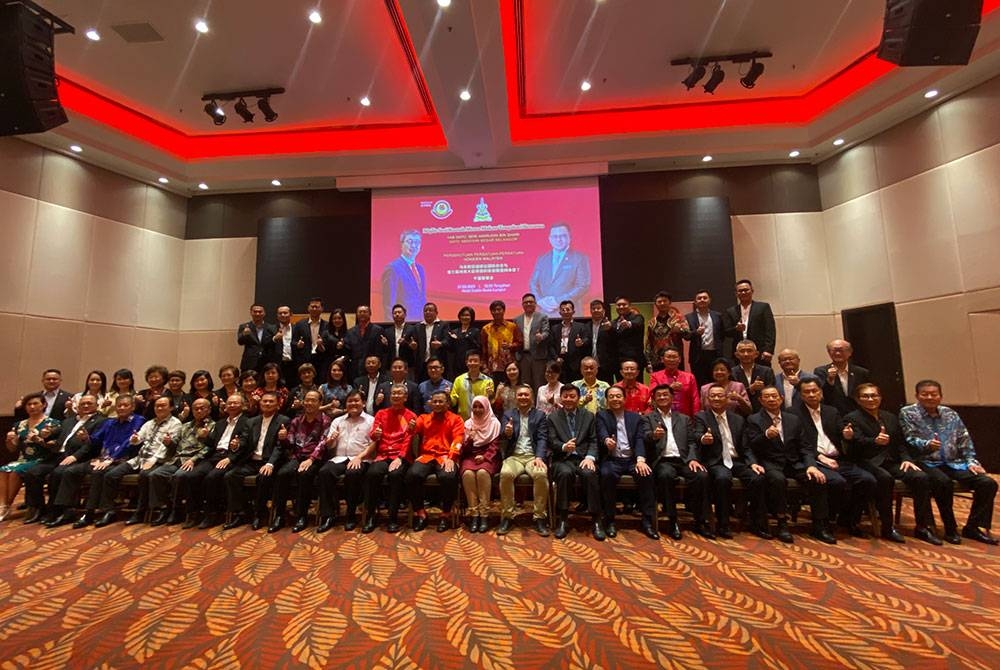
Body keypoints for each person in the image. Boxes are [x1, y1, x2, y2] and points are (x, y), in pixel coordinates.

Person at [898, 379, 998, 545]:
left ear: (940, 396)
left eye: (934, 394)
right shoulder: (908, 413)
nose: (930, 397)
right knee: (943, 482)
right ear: (917, 396)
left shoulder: (950, 414)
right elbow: (909, 438)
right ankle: (950, 527)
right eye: (925, 394)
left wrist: (971, 461)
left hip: (954, 462)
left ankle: (973, 527)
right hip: (925, 461)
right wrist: (927, 444)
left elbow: (964, 439)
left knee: (987, 483)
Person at [745, 387, 834, 543]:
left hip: (794, 463)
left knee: (817, 478)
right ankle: (782, 523)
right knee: (778, 480)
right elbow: (750, 446)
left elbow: (805, 446)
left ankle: (820, 526)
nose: (771, 399)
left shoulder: (793, 419)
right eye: (767, 397)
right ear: (761, 401)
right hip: (770, 463)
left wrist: (811, 465)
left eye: (774, 396)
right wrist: (765, 435)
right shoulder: (754, 420)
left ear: (781, 398)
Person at [840, 382, 925, 542]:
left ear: (880, 397)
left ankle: (923, 527)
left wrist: (906, 459)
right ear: (858, 400)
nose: (870, 399)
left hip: (892, 460)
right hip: (866, 461)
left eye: (874, 395)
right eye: (865, 396)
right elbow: (855, 443)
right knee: (885, 479)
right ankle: (888, 527)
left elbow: (900, 443)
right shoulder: (852, 418)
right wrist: (874, 441)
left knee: (920, 477)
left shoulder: (890, 417)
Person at [794, 378, 875, 539]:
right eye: (807, 392)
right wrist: (819, 457)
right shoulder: (793, 414)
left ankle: (849, 519)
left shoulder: (831, 411)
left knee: (867, 480)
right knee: (835, 481)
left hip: (838, 459)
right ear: (801, 396)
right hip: (813, 460)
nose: (811, 395)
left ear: (821, 392)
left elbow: (842, 433)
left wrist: (847, 435)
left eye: (814, 391)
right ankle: (822, 525)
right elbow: (797, 443)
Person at [639, 385, 711, 540]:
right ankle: (672, 520)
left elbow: (691, 442)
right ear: (654, 400)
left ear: (672, 398)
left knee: (702, 475)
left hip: (684, 460)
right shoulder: (647, 418)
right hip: (663, 460)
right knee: (666, 475)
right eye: (659, 395)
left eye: (665, 394)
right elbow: (644, 438)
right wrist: (653, 436)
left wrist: (693, 459)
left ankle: (700, 520)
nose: (662, 397)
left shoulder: (684, 419)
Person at [692, 384, 765, 539]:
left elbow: (745, 446)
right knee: (723, 478)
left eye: (720, 395)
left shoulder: (738, 419)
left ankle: (756, 522)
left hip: (737, 460)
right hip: (716, 461)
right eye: (713, 396)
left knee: (757, 478)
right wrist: (703, 439)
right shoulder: (701, 417)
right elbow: (696, 435)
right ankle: (723, 524)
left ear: (726, 398)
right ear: (707, 399)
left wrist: (753, 463)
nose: (716, 398)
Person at [70, 394, 145, 528]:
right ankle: (69, 510)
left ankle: (95, 512)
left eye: (125, 405)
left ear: (133, 407)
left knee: (99, 472)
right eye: (119, 406)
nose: (121, 408)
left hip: (124, 459)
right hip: (103, 459)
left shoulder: (139, 420)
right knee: (73, 471)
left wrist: (111, 459)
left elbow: (128, 444)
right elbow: (96, 439)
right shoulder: (110, 422)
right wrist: (86, 437)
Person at [32, 394, 106, 526]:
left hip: (80, 457)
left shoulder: (101, 421)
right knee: (34, 472)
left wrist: (75, 456)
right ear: (77, 406)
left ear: (97, 405)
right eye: (83, 403)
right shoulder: (68, 421)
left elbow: (93, 445)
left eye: (89, 403)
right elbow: (54, 433)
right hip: (57, 455)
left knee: (58, 473)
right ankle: (38, 508)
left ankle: (59, 510)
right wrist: (46, 434)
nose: (86, 406)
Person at [222, 392, 290, 531]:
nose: (267, 403)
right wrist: (236, 445)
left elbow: (279, 447)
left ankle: (259, 514)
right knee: (230, 476)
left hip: (271, 461)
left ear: (277, 405)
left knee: (263, 477)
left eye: (271, 401)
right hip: (252, 461)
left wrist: (270, 463)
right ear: (260, 403)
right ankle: (242, 512)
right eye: (265, 401)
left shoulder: (284, 420)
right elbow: (244, 441)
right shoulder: (251, 421)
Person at [112, 396, 183, 527]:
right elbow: (139, 438)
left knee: (145, 475)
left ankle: (144, 510)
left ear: (171, 407)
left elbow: (165, 448)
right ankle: (109, 510)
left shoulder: (175, 423)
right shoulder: (149, 423)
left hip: (161, 459)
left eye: (163, 405)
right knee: (112, 474)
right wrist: (135, 439)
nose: (159, 408)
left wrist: (153, 460)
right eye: (157, 406)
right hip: (140, 458)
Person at [598, 386, 658, 540]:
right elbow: (602, 431)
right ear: (607, 400)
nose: (615, 399)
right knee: (606, 475)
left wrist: (640, 459)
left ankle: (647, 520)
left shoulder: (635, 418)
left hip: (632, 459)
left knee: (646, 475)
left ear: (624, 399)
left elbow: (639, 439)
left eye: (618, 396)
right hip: (612, 459)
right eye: (611, 396)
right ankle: (610, 519)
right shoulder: (602, 415)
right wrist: (606, 440)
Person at [270, 390, 331, 533]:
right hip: (297, 457)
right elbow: (290, 444)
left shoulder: (326, 420)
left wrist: (311, 459)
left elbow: (323, 443)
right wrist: (283, 438)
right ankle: (279, 516)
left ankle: (301, 516)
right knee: (282, 474)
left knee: (304, 475)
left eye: (313, 400)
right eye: (307, 400)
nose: (309, 403)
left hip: (316, 458)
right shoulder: (296, 421)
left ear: (320, 403)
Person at [148, 397, 215, 526]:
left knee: (180, 476)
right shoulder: (185, 426)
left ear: (209, 410)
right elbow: (174, 446)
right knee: (156, 474)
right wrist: (169, 443)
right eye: (195, 409)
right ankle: (164, 509)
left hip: (196, 460)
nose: (198, 411)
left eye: (202, 408)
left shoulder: (213, 426)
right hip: (177, 459)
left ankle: (178, 510)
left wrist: (193, 459)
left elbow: (210, 448)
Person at [187, 394, 249, 529]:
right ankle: (194, 512)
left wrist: (230, 458)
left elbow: (247, 444)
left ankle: (211, 514)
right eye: (229, 403)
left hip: (231, 457)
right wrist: (205, 437)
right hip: (215, 455)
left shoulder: (247, 422)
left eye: (235, 403)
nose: (232, 405)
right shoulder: (220, 423)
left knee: (212, 477)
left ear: (243, 406)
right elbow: (211, 444)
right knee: (192, 475)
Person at [547, 384, 601, 540]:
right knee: (564, 473)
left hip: (583, 458)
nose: (569, 399)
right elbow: (551, 441)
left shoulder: (589, 416)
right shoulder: (553, 417)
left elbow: (593, 440)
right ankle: (563, 518)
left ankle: (596, 519)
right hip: (562, 458)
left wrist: (590, 457)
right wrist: (563, 446)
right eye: (565, 396)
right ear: (560, 398)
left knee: (589, 474)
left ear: (578, 398)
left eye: (572, 396)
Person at [316, 390, 374, 533]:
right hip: (339, 458)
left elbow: (374, 444)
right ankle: (329, 515)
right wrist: (331, 441)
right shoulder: (338, 421)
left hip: (361, 457)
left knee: (353, 473)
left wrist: (360, 457)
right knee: (324, 472)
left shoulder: (371, 421)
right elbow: (330, 447)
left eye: (356, 401)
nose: (353, 403)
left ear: (363, 403)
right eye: (350, 401)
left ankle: (351, 514)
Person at [407, 390, 465, 532]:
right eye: (435, 401)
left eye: (441, 401)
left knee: (448, 476)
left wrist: (452, 457)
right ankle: (421, 513)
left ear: (448, 404)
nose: (437, 404)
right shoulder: (423, 418)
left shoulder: (456, 419)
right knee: (412, 475)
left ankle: (445, 514)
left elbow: (458, 439)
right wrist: (411, 428)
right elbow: (412, 431)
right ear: (430, 403)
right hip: (427, 456)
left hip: (445, 456)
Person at [497, 384, 550, 536]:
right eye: (520, 395)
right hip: (514, 456)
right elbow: (503, 436)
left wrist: (539, 456)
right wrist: (507, 433)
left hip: (533, 456)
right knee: (505, 474)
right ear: (516, 397)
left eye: (526, 394)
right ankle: (507, 516)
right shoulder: (508, 414)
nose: (523, 397)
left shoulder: (540, 415)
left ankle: (539, 517)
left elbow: (542, 438)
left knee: (541, 475)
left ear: (531, 397)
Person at [364, 384, 416, 533]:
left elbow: (408, 440)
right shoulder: (381, 413)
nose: (396, 396)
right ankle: (371, 515)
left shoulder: (411, 416)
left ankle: (393, 517)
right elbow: (373, 435)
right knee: (372, 474)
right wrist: (375, 434)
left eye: (399, 393)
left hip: (401, 456)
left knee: (395, 475)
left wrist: (400, 457)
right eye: (393, 393)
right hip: (383, 455)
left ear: (405, 397)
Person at [2, 393, 61, 522]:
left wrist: (38, 440)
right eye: (29, 404)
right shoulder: (20, 424)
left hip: (43, 459)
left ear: (43, 405)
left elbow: (55, 447)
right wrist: (9, 440)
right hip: (24, 459)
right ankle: (3, 504)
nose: (32, 407)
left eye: (35, 404)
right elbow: (12, 449)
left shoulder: (52, 424)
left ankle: (6, 505)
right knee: (4, 469)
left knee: (15, 471)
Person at [529, 222, 592, 317]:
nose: (558, 239)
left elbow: (583, 285)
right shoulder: (542, 259)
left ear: (570, 237)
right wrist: (539, 300)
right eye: (555, 236)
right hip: (545, 314)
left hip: (570, 313)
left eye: (563, 236)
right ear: (549, 239)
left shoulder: (580, 258)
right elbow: (533, 283)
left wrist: (558, 300)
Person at [460, 395, 502, 533]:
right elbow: (464, 450)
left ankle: (484, 514)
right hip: (470, 456)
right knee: (467, 474)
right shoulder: (468, 423)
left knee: (483, 473)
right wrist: (470, 439)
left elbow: (495, 446)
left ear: (487, 407)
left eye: (481, 407)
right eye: (475, 407)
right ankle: (474, 514)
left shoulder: (494, 423)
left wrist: (484, 457)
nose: (477, 410)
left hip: (489, 457)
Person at [723, 279, 776, 365]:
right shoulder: (731, 311)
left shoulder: (763, 307)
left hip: (759, 351)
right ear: (736, 294)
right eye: (740, 291)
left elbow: (770, 330)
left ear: (752, 291)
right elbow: (726, 332)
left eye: (746, 290)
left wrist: (768, 350)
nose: (743, 292)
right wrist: (736, 329)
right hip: (739, 351)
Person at [813, 339, 870, 416]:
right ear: (829, 353)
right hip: (833, 414)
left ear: (850, 352)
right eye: (834, 350)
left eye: (841, 350)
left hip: (858, 414)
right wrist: (830, 380)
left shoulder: (861, 372)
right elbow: (821, 394)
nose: (837, 353)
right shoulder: (821, 371)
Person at [381, 229, 427, 320]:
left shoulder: (420, 269)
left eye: (417, 242)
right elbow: (388, 303)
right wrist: (392, 324)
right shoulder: (392, 268)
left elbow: (421, 298)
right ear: (401, 244)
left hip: (420, 322)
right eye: (410, 241)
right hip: (402, 322)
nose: (413, 245)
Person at [684, 290, 724, 387]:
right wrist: (696, 333)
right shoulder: (689, 317)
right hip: (697, 356)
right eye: (699, 298)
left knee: (716, 382)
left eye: (705, 298)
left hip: (715, 354)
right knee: (699, 384)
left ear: (709, 300)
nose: (702, 300)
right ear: (695, 301)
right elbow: (686, 336)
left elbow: (722, 335)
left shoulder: (718, 316)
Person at [648, 347, 701, 418]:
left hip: (685, 417)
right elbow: (652, 395)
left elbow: (695, 399)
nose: (671, 360)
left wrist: (696, 418)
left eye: (674, 357)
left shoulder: (689, 377)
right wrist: (670, 388)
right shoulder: (655, 376)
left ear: (679, 359)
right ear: (662, 359)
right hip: (662, 417)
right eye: (668, 357)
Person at [513, 293, 550, 392]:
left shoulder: (542, 317)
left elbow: (546, 331)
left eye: (531, 302)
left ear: (535, 304)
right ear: (522, 304)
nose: (528, 304)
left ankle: (538, 402)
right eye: (526, 302)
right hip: (522, 356)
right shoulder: (516, 319)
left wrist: (541, 336)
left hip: (538, 355)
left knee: (539, 383)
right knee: (524, 383)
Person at [480, 300, 523, 385]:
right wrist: (484, 365)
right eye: (494, 310)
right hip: (492, 365)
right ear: (491, 312)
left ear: (504, 310)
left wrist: (510, 346)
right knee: (494, 388)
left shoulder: (512, 326)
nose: (496, 312)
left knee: (511, 386)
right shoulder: (486, 329)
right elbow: (483, 348)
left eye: (499, 309)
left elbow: (520, 343)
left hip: (509, 364)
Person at [646, 291, 690, 372]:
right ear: (655, 304)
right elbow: (649, 343)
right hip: (657, 360)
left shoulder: (678, 318)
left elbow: (688, 336)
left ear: (670, 302)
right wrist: (648, 362)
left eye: (665, 301)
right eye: (659, 302)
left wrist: (680, 330)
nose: (662, 303)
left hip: (674, 359)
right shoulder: (652, 322)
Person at [292, 297, 332, 382]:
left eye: (317, 307)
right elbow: (293, 342)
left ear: (322, 309)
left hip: (321, 360)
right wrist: (298, 345)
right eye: (312, 306)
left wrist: (322, 346)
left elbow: (330, 345)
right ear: (308, 308)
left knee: (320, 382)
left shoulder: (327, 325)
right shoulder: (300, 324)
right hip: (305, 360)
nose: (314, 309)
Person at [731, 340, 776, 412]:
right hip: (739, 413)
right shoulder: (731, 372)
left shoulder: (767, 371)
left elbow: (772, 393)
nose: (746, 354)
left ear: (756, 354)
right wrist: (750, 389)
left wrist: (763, 388)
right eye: (742, 351)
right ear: (736, 355)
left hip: (762, 412)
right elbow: (733, 395)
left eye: (749, 351)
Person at [550, 300, 588, 383]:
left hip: (575, 362)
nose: (565, 312)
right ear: (560, 313)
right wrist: (556, 358)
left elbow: (586, 340)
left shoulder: (581, 326)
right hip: (560, 361)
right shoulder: (554, 328)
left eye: (568, 309)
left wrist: (581, 342)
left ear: (573, 311)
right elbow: (551, 345)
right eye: (563, 310)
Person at [410, 303, 449, 383]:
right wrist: (413, 345)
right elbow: (414, 342)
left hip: (437, 363)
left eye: (430, 310)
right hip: (422, 363)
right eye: (425, 311)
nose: (427, 312)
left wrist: (440, 343)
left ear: (436, 312)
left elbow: (447, 340)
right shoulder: (418, 326)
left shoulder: (443, 325)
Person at [450, 351, 495, 420]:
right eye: (470, 361)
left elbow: (491, 403)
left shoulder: (488, 381)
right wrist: (447, 396)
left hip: (482, 420)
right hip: (463, 420)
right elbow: (453, 402)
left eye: (475, 361)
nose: (473, 363)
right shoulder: (459, 380)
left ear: (481, 363)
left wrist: (491, 395)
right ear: (466, 363)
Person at [346, 305, 386, 380]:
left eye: (365, 312)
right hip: (355, 368)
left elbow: (380, 352)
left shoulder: (378, 330)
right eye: (360, 312)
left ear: (370, 314)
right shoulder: (350, 331)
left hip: (372, 367)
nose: (362, 314)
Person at [237, 303, 276, 374]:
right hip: (249, 362)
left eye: (260, 312)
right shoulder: (244, 326)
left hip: (267, 362)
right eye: (255, 312)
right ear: (251, 313)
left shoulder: (272, 327)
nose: (257, 314)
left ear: (264, 313)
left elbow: (274, 344)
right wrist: (244, 334)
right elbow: (240, 342)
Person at [612, 297, 644, 380]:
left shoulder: (637, 318)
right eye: (619, 305)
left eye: (624, 304)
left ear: (630, 306)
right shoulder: (613, 322)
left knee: (636, 385)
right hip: (618, 362)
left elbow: (637, 324)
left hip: (634, 360)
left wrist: (628, 323)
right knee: (620, 385)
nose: (621, 307)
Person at [587, 299, 617, 384]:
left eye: (598, 308)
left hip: (605, 365)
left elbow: (616, 341)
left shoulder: (610, 324)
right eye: (593, 308)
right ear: (590, 311)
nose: (596, 310)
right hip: (590, 366)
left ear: (603, 311)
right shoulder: (586, 326)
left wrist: (611, 329)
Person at [446, 306, 480, 380]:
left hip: (471, 363)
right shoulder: (454, 332)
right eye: (463, 315)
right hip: (457, 363)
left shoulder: (475, 331)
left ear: (471, 317)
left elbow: (478, 347)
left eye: (467, 315)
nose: (465, 317)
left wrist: (469, 338)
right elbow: (450, 349)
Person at [271, 305, 298, 386]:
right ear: (277, 315)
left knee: (293, 387)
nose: (283, 315)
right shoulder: (271, 328)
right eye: (280, 313)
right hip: (278, 364)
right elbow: (265, 344)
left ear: (291, 314)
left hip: (294, 364)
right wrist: (274, 338)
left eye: (285, 313)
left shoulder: (297, 328)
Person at [385, 304, 416, 371]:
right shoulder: (387, 331)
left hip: (408, 364)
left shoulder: (412, 329)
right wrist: (385, 344)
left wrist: (406, 343)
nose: (397, 314)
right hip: (392, 364)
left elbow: (414, 347)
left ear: (405, 314)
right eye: (394, 313)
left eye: (399, 312)